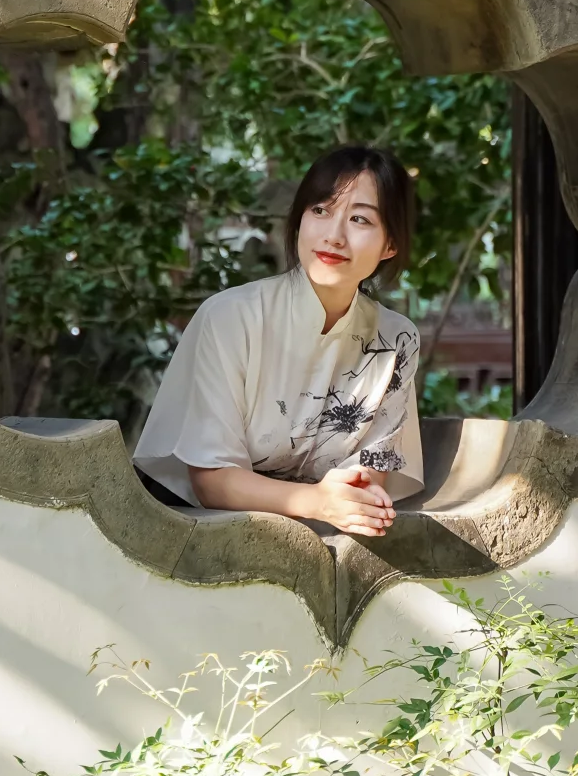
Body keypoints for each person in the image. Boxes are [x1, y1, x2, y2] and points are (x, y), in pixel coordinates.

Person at [133, 145, 423, 537]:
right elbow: (212, 481)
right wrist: (317, 501)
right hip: (189, 533)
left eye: (359, 219)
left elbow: (369, 475)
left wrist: (351, 498)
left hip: (317, 537)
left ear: (390, 245)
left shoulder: (396, 339)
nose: (334, 236)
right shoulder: (230, 317)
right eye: (320, 210)